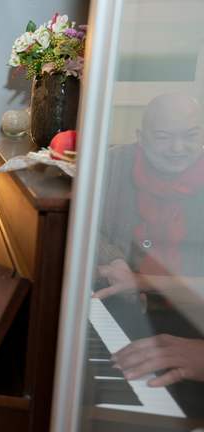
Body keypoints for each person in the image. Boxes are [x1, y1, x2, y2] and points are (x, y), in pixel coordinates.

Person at [92, 93, 204, 387]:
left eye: (191, 136)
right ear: (141, 137)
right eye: (164, 137)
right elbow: (84, 228)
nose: (178, 149)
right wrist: (113, 260)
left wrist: (144, 282)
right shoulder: (111, 164)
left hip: (192, 324)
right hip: (117, 308)